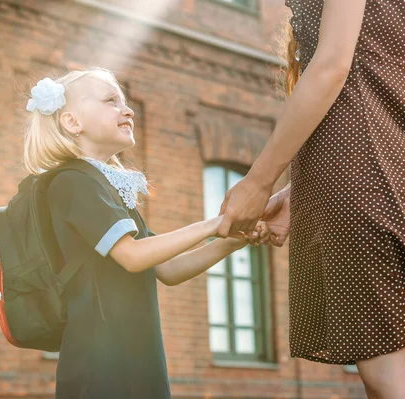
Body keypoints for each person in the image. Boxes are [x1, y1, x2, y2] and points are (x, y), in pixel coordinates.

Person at [22, 68, 270, 398]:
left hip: (137, 364)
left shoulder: (105, 187)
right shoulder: (73, 182)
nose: (128, 110)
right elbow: (134, 256)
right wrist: (216, 221)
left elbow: (166, 268)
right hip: (101, 372)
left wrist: (232, 240)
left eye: (124, 101)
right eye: (111, 101)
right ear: (72, 122)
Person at [217, 1, 405, 397]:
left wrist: (258, 182)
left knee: (387, 379)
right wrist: (303, 191)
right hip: (382, 174)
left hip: (361, 180)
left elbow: (333, 66)